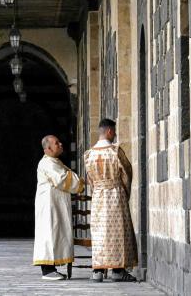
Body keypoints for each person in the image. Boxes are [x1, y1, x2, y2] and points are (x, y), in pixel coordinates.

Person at [84, 118, 138, 282]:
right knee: (118, 233)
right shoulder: (115, 151)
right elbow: (127, 173)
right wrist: (125, 191)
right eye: (113, 132)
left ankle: (98, 271)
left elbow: (90, 179)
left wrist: (98, 189)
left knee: (100, 233)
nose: (114, 135)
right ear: (109, 131)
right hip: (115, 195)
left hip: (99, 197)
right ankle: (118, 271)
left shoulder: (89, 154)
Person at [33, 135, 85, 280]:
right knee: (49, 235)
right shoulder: (48, 163)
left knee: (54, 234)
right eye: (57, 143)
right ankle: (47, 270)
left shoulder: (54, 161)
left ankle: (51, 268)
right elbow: (63, 179)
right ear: (48, 148)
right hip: (49, 207)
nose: (60, 144)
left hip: (54, 205)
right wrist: (80, 182)